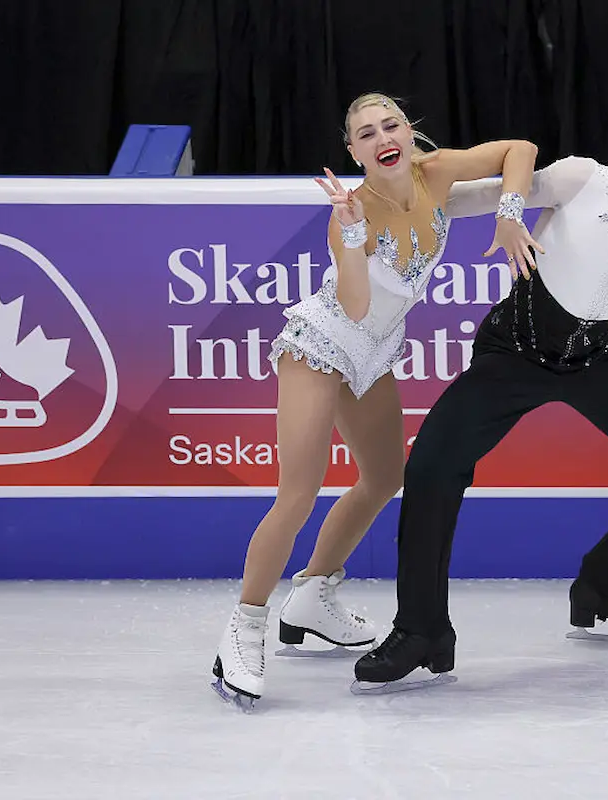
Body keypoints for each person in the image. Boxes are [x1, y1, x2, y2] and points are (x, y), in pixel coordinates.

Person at [352, 153, 608, 690]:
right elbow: (479, 197)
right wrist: (410, 204)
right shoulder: (589, 179)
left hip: (592, 357)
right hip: (515, 351)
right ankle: (422, 629)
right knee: (432, 466)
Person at [211, 92, 542, 709]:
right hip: (322, 343)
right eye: (366, 133)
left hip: (376, 349)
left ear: (409, 131)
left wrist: (510, 212)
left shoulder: (435, 170)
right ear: (354, 152)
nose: (381, 136)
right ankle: (245, 626)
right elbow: (356, 306)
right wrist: (356, 236)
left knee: (385, 477)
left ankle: (312, 595)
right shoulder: (352, 211)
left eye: (390, 124)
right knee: (298, 493)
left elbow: (520, 151)